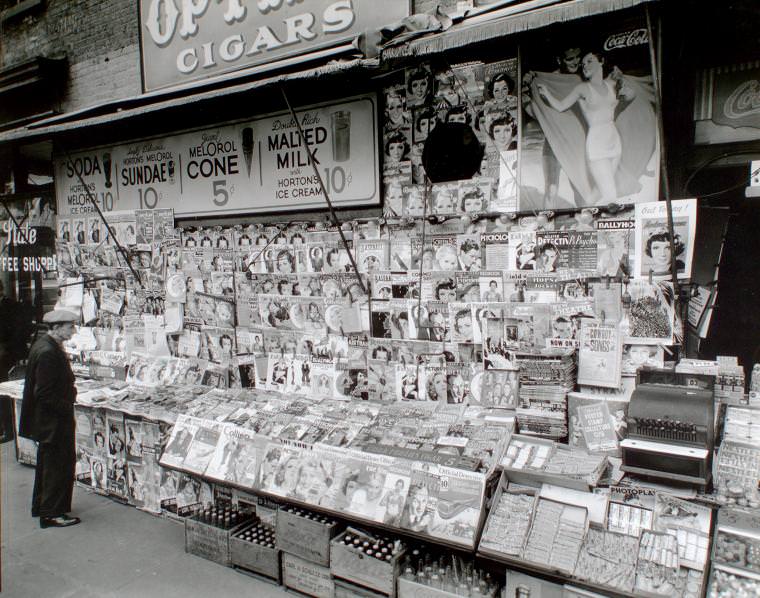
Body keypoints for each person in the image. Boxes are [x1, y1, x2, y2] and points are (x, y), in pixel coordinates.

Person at [536, 49, 640, 204]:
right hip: (597, 142)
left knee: (600, 189)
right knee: (610, 193)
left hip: (614, 139)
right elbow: (560, 106)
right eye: (583, 64)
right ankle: (593, 218)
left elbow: (632, 95)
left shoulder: (611, 84)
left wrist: (621, 79)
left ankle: (582, 217)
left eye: (589, 61)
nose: (584, 66)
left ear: (601, 62)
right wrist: (546, 93)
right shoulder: (582, 88)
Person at [18, 309, 81, 528]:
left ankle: (43, 507)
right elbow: (44, 393)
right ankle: (53, 513)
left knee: (48, 465)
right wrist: (68, 404)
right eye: (70, 326)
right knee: (58, 466)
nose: (73, 331)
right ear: (56, 327)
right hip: (53, 421)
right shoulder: (47, 352)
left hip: (47, 421)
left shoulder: (45, 345)